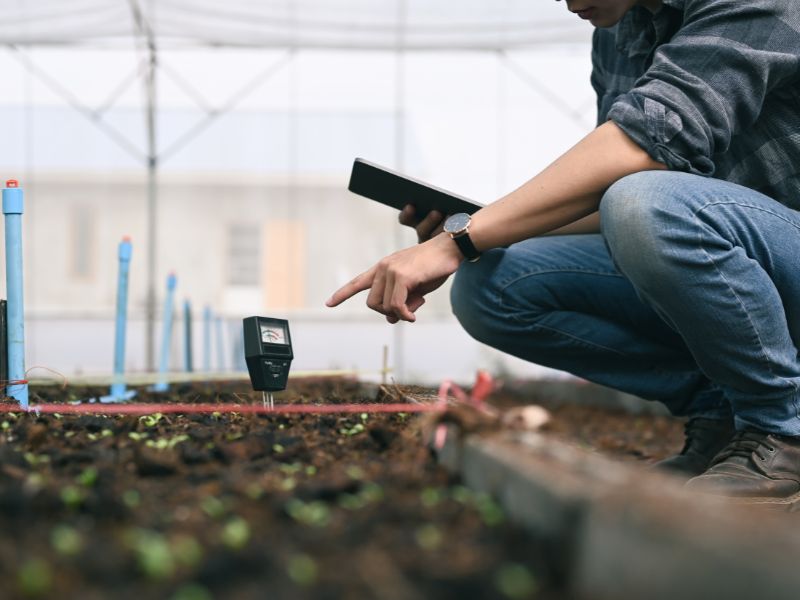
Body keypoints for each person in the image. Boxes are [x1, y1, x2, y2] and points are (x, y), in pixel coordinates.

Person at [326, 0, 800, 507]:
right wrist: (471, 234)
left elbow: (646, 147)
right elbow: (609, 191)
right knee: (491, 284)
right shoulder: (617, 33)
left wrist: (460, 239)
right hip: (733, 264)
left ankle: (782, 428)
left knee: (644, 204)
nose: (566, 2)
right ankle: (723, 415)